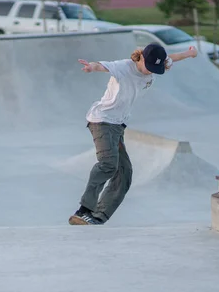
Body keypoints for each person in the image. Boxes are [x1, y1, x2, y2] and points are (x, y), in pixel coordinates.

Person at [68, 43, 198, 226]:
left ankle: (98, 217)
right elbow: (103, 65)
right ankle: (84, 210)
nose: (149, 72)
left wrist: (190, 53)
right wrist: (91, 67)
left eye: (155, 69)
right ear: (142, 58)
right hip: (102, 120)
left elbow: (173, 58)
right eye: (149, 67)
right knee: (108, 164)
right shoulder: (123, 67)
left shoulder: (158, 64)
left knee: (124, 173)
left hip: (118, 125)